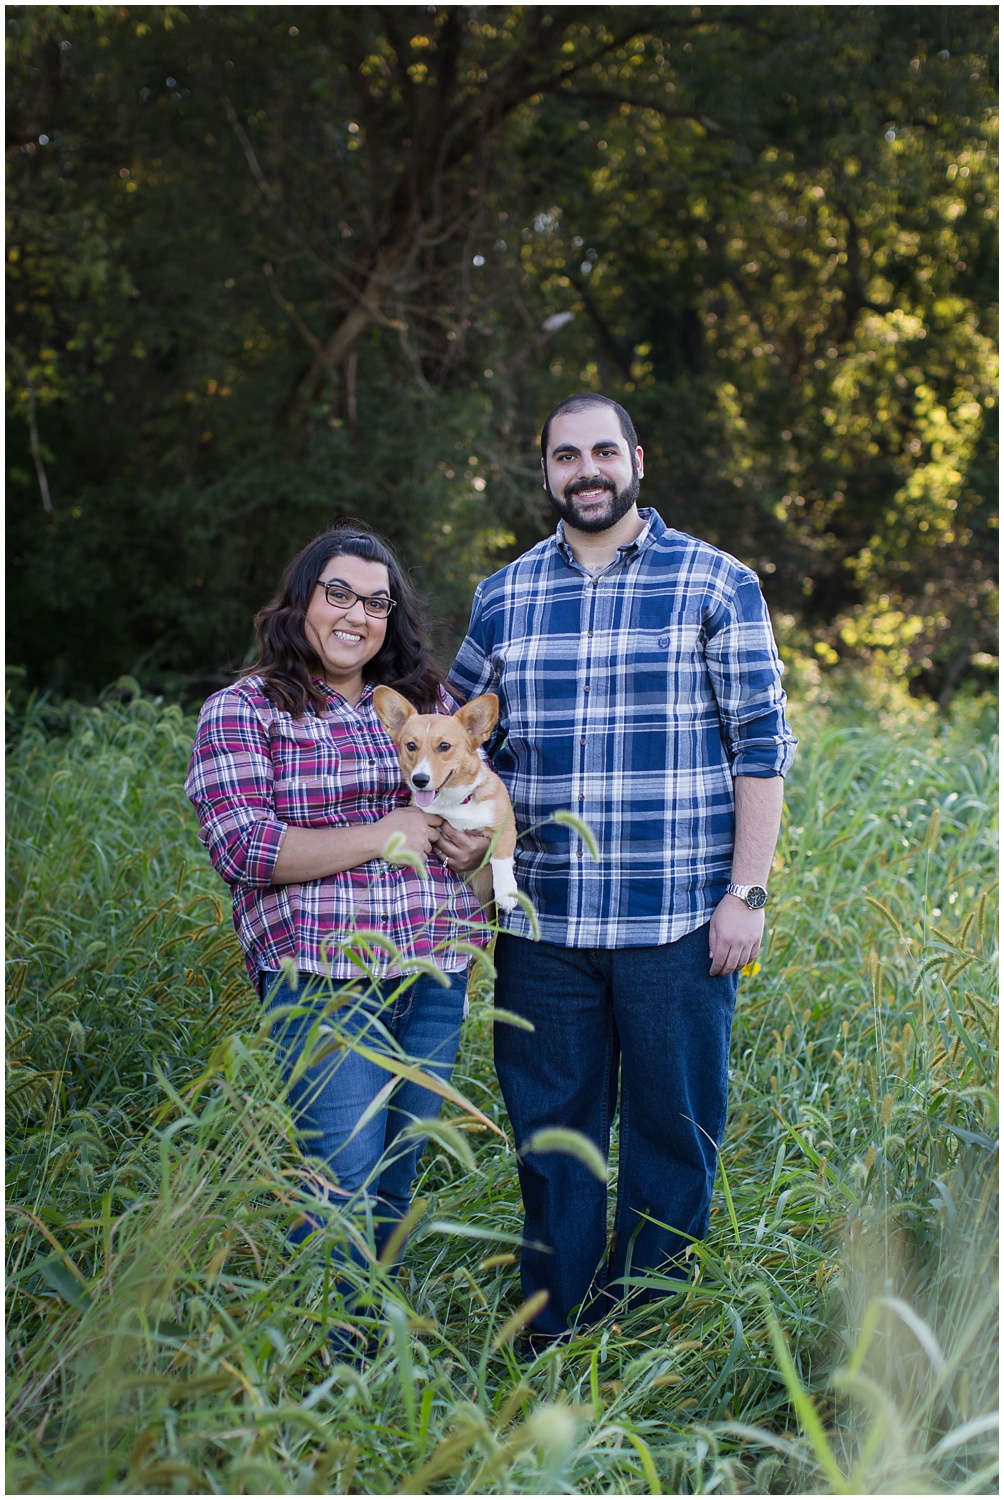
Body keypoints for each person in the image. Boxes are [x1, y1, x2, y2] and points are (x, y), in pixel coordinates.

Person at [449, 394, 797, 1344]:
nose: (587, 470)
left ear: (637, 458)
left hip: (678, 921)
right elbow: (451, 742)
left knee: (671, 1133)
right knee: (552, 1143)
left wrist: (747, 895)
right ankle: (550, 1329)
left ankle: (641, 1334)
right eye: (568, 456)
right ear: (548, 471)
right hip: (543, 929)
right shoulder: (505, 596)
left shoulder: (715, 583)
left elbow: (761, 748)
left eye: (604, 451)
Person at [185, 525, 490, 1353]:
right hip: (324, 974)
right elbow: (245, 849)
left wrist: (470, 847)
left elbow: (475, 808)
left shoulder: (419, 704)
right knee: (340, 1179)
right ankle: (321, 1373)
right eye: (340, 594)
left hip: (432, 969)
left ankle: (372, 1377)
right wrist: (386, 832)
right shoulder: (246, 710)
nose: (358, 615)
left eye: (378, 602)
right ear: (303, 599)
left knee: (397, 1177)